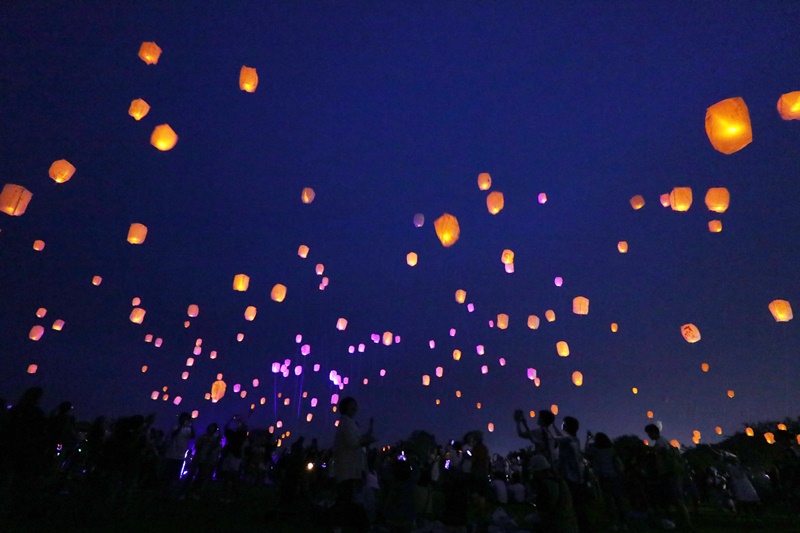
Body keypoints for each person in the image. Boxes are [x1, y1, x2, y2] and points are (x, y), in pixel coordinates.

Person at [331, 397, 374, 531]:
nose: (355, 408)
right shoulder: (346, 423)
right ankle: (339, 525)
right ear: (346, 407)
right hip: (347, 468)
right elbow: (353, 443)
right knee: (345, 497)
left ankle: (342, 525)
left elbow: (357, 440)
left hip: (348, 467)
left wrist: (370, 430)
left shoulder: (348, 423)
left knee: (346, 497)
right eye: (352, 406)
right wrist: (366, 441)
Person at [644, 423, 693, 530]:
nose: (649, 436)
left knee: (677, 499)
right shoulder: (661, 441)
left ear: (655, 432)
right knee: (674, 499)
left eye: (650, 433)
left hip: (671, 473)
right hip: (669, 473)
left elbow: (661, 454)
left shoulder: (660, 442)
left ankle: (687, 523)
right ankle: (682, 521)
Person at [585, 431, 626, 530]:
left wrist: (588, 439)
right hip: (614, 476)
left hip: (603, 477)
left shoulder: (595, 450)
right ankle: (624, 523)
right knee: (618, 500)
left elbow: (586, 452)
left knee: (609, 501)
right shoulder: (611, 450)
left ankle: (614, 523)